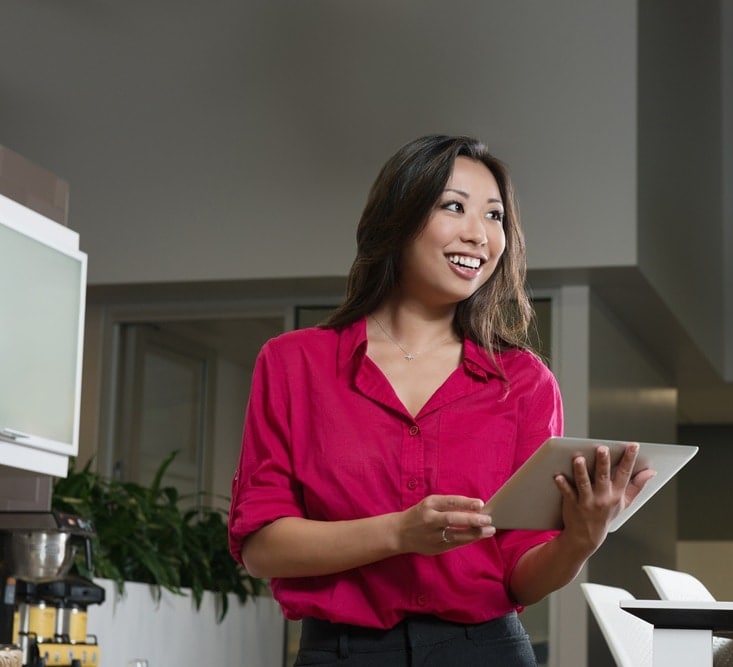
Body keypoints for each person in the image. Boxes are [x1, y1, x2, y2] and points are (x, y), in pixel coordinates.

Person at [227, 135, 655, 667]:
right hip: (339, 654)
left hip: (487, 652)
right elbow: (262, 547)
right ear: (398, 219)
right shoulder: (294, 363)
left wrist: (581, 540)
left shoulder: (524, 382)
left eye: (495, 216)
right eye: (454, 207)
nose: (479, 235)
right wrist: (399, 532)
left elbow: (522, 576)